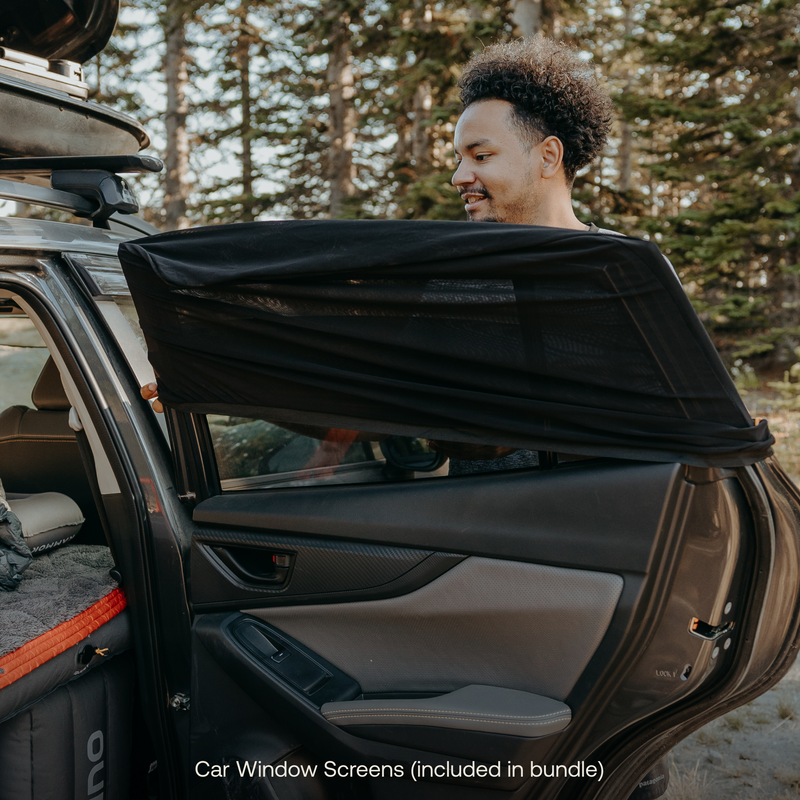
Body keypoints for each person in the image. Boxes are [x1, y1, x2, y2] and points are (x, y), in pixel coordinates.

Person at [450, 36, 670, 799]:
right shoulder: (451, 285)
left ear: (547, 157)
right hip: (469, 590)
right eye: (459, 158)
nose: (460, 176)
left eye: (479, 154)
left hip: (605, 606)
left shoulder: (627, 284)